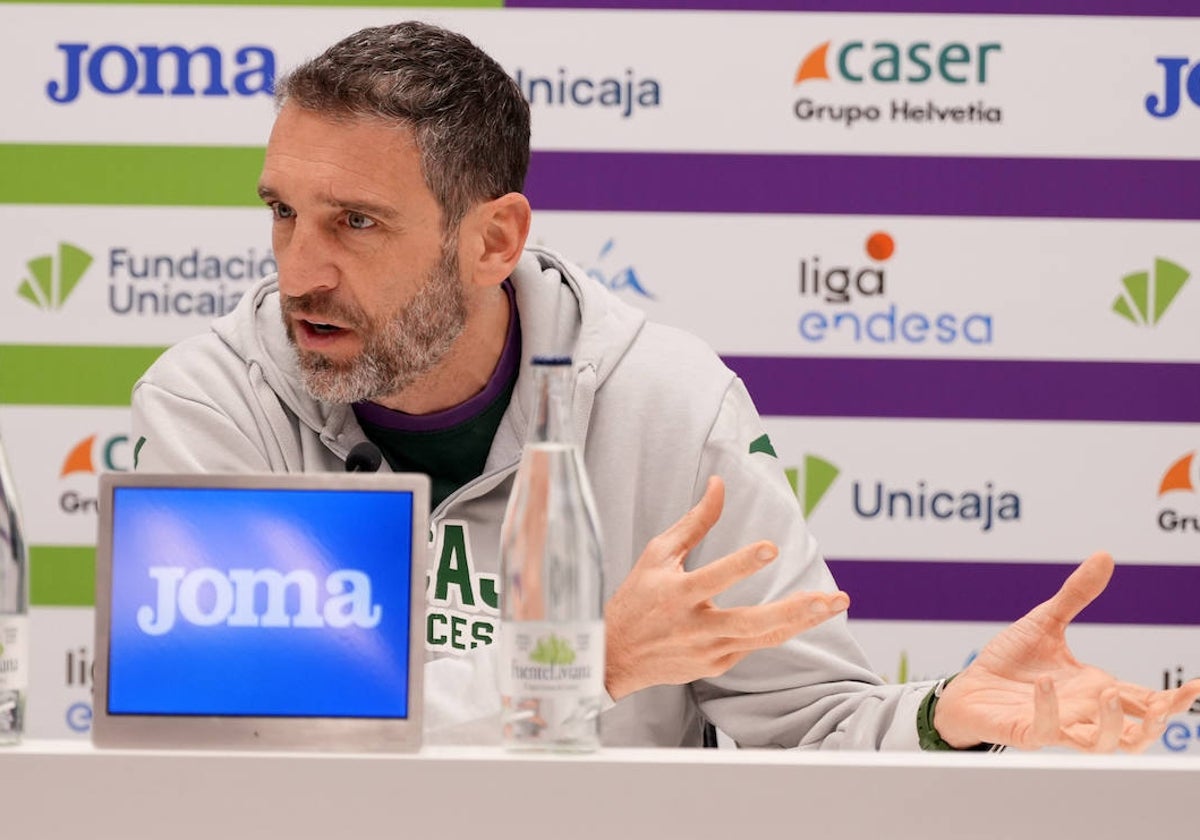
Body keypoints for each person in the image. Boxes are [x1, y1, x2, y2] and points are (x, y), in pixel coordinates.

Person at [130, 20, 1200, 750]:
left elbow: (814, 723)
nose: (300, 271)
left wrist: (942, 718)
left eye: (355, 223)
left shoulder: (669, 408)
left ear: (494, 237)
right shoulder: (212, 406)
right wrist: (585, 666)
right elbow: (244, 717)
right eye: (283, 213)